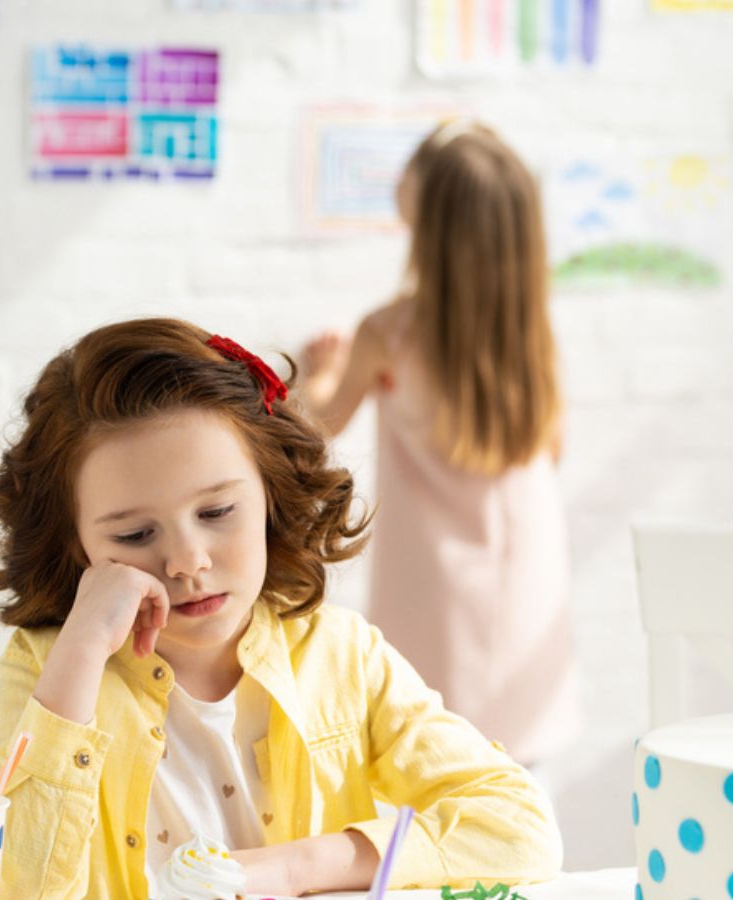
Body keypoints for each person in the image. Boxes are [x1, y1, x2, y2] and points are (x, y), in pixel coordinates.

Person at [0, 318, 561, 899]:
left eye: (215, 513)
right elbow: (11, 890)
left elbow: (520, 827)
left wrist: (297, 867)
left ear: (269, 493)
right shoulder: (44, 673)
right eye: (133, 536)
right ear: (78, 544)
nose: (187, 562)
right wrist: (78, 656)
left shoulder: (340, 657)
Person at [299, 121, 581, 766]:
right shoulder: (531, 330)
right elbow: (555, 447)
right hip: (525, 575)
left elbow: (317, 425)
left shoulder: (390, 334)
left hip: (432, 585)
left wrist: (318, 376)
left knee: (429, 755)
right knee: (519, 765)